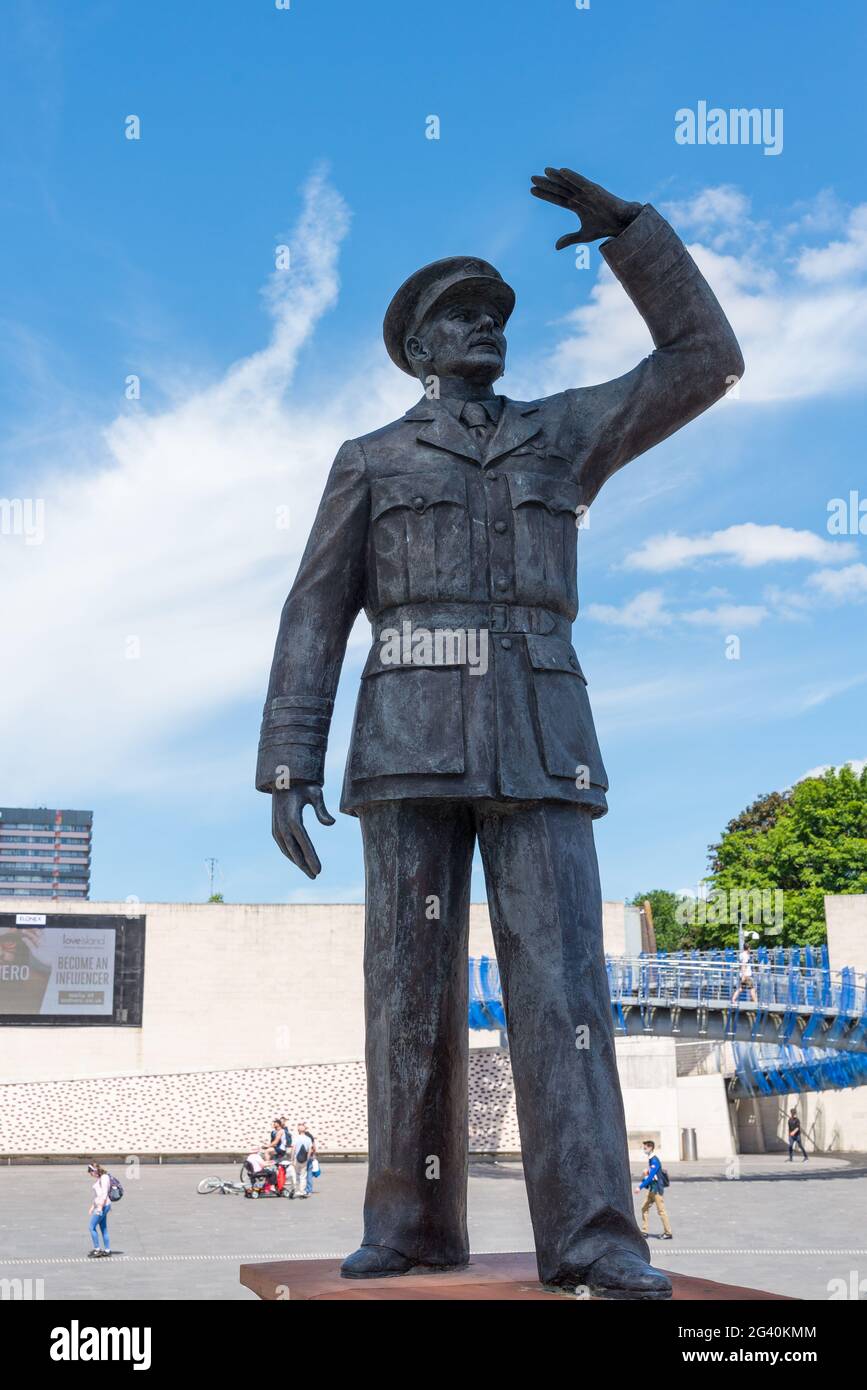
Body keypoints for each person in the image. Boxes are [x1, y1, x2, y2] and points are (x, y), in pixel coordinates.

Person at [256, 165, 742, 1297]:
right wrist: (290, 757)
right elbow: (315, 608)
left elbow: (704, 362)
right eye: (461, 314)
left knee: (564, 989)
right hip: (407, 742)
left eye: (497, 314)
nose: (486, 325)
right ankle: (412, 1224)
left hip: (541, 735)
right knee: (405, 993)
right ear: (419, 346)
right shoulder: (370, 460)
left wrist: (632, 236)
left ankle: (595, 1236)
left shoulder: (562, 434)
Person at [636, 1141, 672, 1240]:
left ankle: (668, 1233)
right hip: (652, 1189)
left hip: (656, 1190)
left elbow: (651, 1176)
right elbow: (652, 1175)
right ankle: (644, 1231)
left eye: (645, 1148)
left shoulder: (654, 1160)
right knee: (644, 1208)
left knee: (661, 1211)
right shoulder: (651, 1159)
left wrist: (640, 1186)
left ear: (651, 1148)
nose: (644, 1150)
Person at [87, 1162, 112, 1257]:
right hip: (101, 1205)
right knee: (103, 1228)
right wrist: (92, 1207)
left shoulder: (104, 1178)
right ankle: (107, 1250)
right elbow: (98, 1195)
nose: (90, 1173)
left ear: (95, 1170)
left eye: (90, 1171)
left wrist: (100, 1207)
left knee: (91, 1226)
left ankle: (97, 1249)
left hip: (103, 1206)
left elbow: (104, 1193)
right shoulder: (99, 1179)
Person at [290, 1126, 313, 1199]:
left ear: (298, 1130)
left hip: (297, 1159)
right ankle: (302, 1191)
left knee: (295, 1174)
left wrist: (292, 1159)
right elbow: (310, 1150)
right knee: (303, 1176)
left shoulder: (296, 1138)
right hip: (304, 1159)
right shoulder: (308, 1139)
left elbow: (293, 1149)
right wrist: (307, 1158)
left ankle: (294, 1188)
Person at [297, 1122, 318, 1195]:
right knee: (307, 1173)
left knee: (306, 1174)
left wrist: (313, 1155)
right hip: (308, 1156)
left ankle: (307, 1189)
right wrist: (314, 1154)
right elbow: (314, 1147)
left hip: (305, 1157)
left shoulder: (307, 1136)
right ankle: (308, 1189)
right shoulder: (308, 1136)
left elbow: (313, 1146)